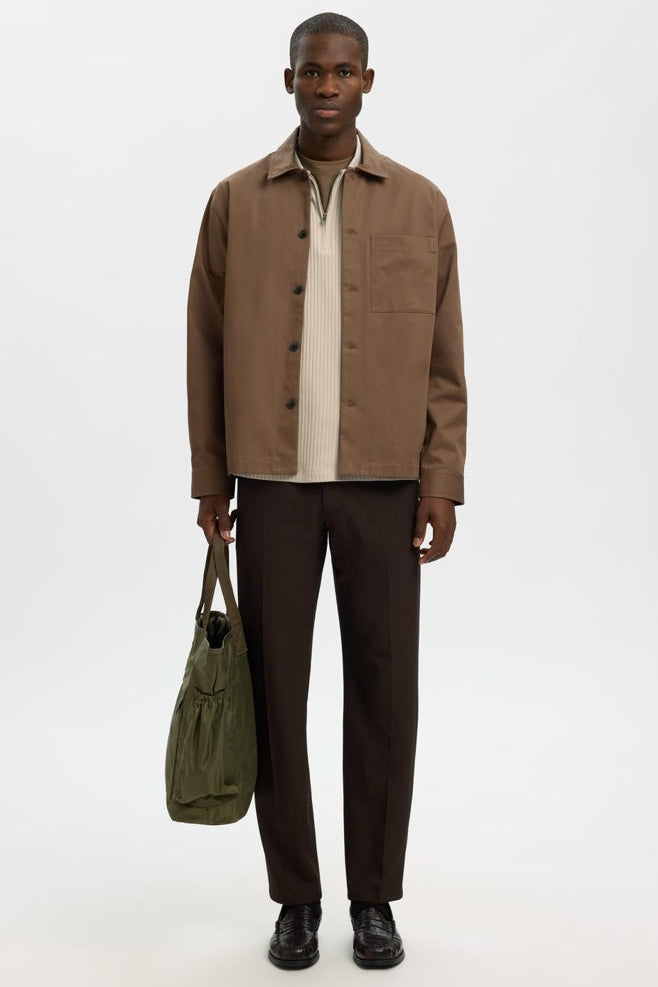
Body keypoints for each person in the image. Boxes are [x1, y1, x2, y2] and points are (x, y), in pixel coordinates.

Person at [186, 10, 467, 970]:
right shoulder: (234, 202)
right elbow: (205, 346)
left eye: (344, 72)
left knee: (385, 695)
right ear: (289, 81)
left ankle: (374, 896)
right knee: (276, 696)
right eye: (313, 72)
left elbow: (444, 359)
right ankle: (296, 898)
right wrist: (210, 475)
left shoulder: (422, 205)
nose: (327, 87)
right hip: (270, 487)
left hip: (385, 488)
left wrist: (441, 478)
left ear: (368, 82)